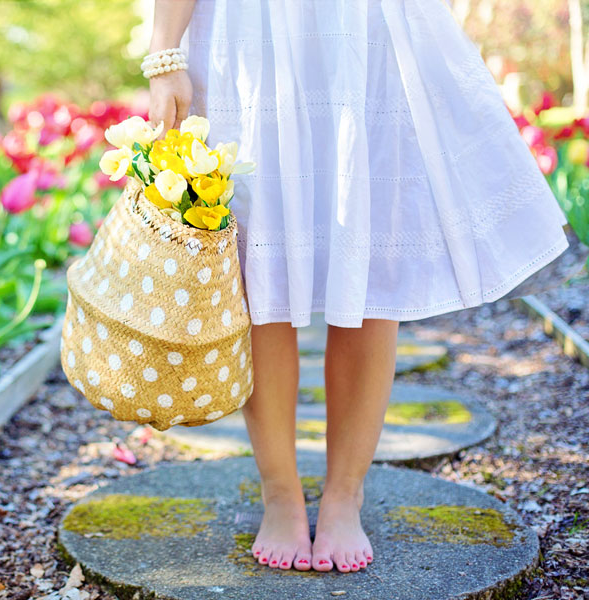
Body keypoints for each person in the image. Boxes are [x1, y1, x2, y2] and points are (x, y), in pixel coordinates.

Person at [144, 0, 570, 574]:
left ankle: (346, 493)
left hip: (365, 27)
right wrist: (163, 52)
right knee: (254, 261)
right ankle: (280, 493)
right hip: (247, 30)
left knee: (369, 252)